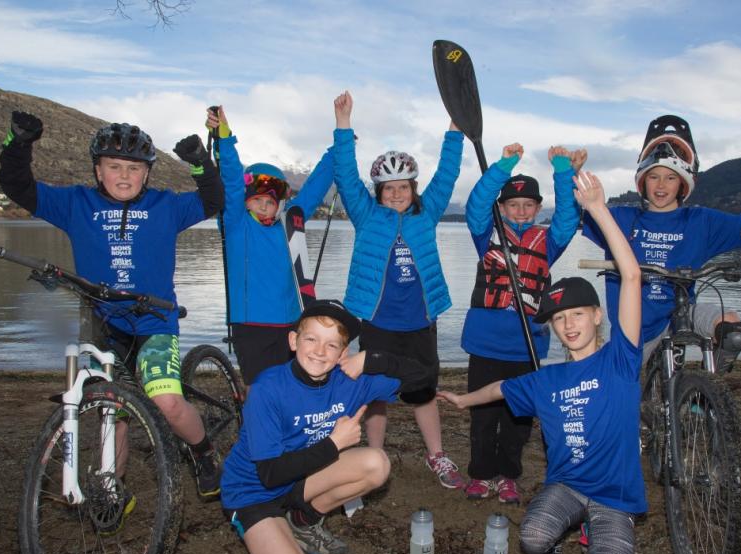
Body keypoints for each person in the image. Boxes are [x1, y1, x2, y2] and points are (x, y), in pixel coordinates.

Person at [439, 171, 645, 554]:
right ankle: (555, 547)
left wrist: (594, 206)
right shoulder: (547, 380)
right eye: (560, 319)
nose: (569, 325)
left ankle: (605, 528)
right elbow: (498, 389)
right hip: (566, 484)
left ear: (596, 316)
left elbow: (630, 277)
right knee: (532, 539)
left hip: (613, 496)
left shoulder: (621, 361)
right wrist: (462, 399)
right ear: (551, 325)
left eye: (577, 315)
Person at [0, 111, 226, 502]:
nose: (124, 175)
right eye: (114, 166)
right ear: (98, 171)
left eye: (134, 168)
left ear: (147, 174)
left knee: (167, 400)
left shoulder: (165, 207)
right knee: (111, 411)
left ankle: (204, 453)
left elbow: (214, 200)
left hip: (155, 322)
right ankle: (112, 488)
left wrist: (201, 163)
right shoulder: (75, 204)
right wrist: (17, 143)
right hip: (104, 325)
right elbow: (16, 185)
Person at [220, 299, 431, 554]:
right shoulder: (268, 388)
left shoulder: (350, 380)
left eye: (332, 345)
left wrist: (370, 359)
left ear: (343, 353)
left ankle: (302, 522)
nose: (320, 351)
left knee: (377, 464)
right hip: (253, 493)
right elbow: (269, 474)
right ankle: (266, 533)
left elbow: (424, 378)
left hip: (302, 479)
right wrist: (334, 443)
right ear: (293, 341)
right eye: (311, 339)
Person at [331, 90, 465, 489]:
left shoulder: (429, 213)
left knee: (423, 392)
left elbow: (448, 174)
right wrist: (343, 125)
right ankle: (375, 455)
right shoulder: (365, 214)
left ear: (413, 189)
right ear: (378, 192)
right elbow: (344, 175)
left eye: (402, 187)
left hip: (419, 321)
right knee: (375, 393)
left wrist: (455, 129)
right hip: (377, 321)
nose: (395, 194)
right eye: (387, 188)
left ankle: (436, 455)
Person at [582, 114, 741, 371]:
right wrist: (568, 173)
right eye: (654, 177)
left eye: (671, 177)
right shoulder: (620, 217)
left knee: (732, 328)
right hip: (633, 328)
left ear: (682, 184)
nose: (661, 185)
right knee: (619, 394)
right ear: (643, 181)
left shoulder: (700, 221)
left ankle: (703, 388)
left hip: (681, 315)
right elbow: (573, 216)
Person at [460, 141, 586, 504]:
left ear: (536, 208)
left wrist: (563, 172)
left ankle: (508, 476)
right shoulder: (485, 236)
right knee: (483, 416)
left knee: (518, 419)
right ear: (501, 207)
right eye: (512, 205)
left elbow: (567, 216)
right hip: (485, 344)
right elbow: (475, 205)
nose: (519, 211)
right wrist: (502, 166)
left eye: (527, 205)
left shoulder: (549, 241)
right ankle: (481, 475)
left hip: (526, 344)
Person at [206, 106, 334, 385]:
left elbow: (314, 188)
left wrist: (337, 150)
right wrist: (224, 138)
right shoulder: (236, 223)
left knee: (292, 386)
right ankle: (255, 430)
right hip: (251, 325)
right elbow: (230, 180)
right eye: (257, 200)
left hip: (292, 322)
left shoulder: (289, 223)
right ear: (245, 200)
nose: (264, 207)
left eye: (270, 202)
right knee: (259, 389)